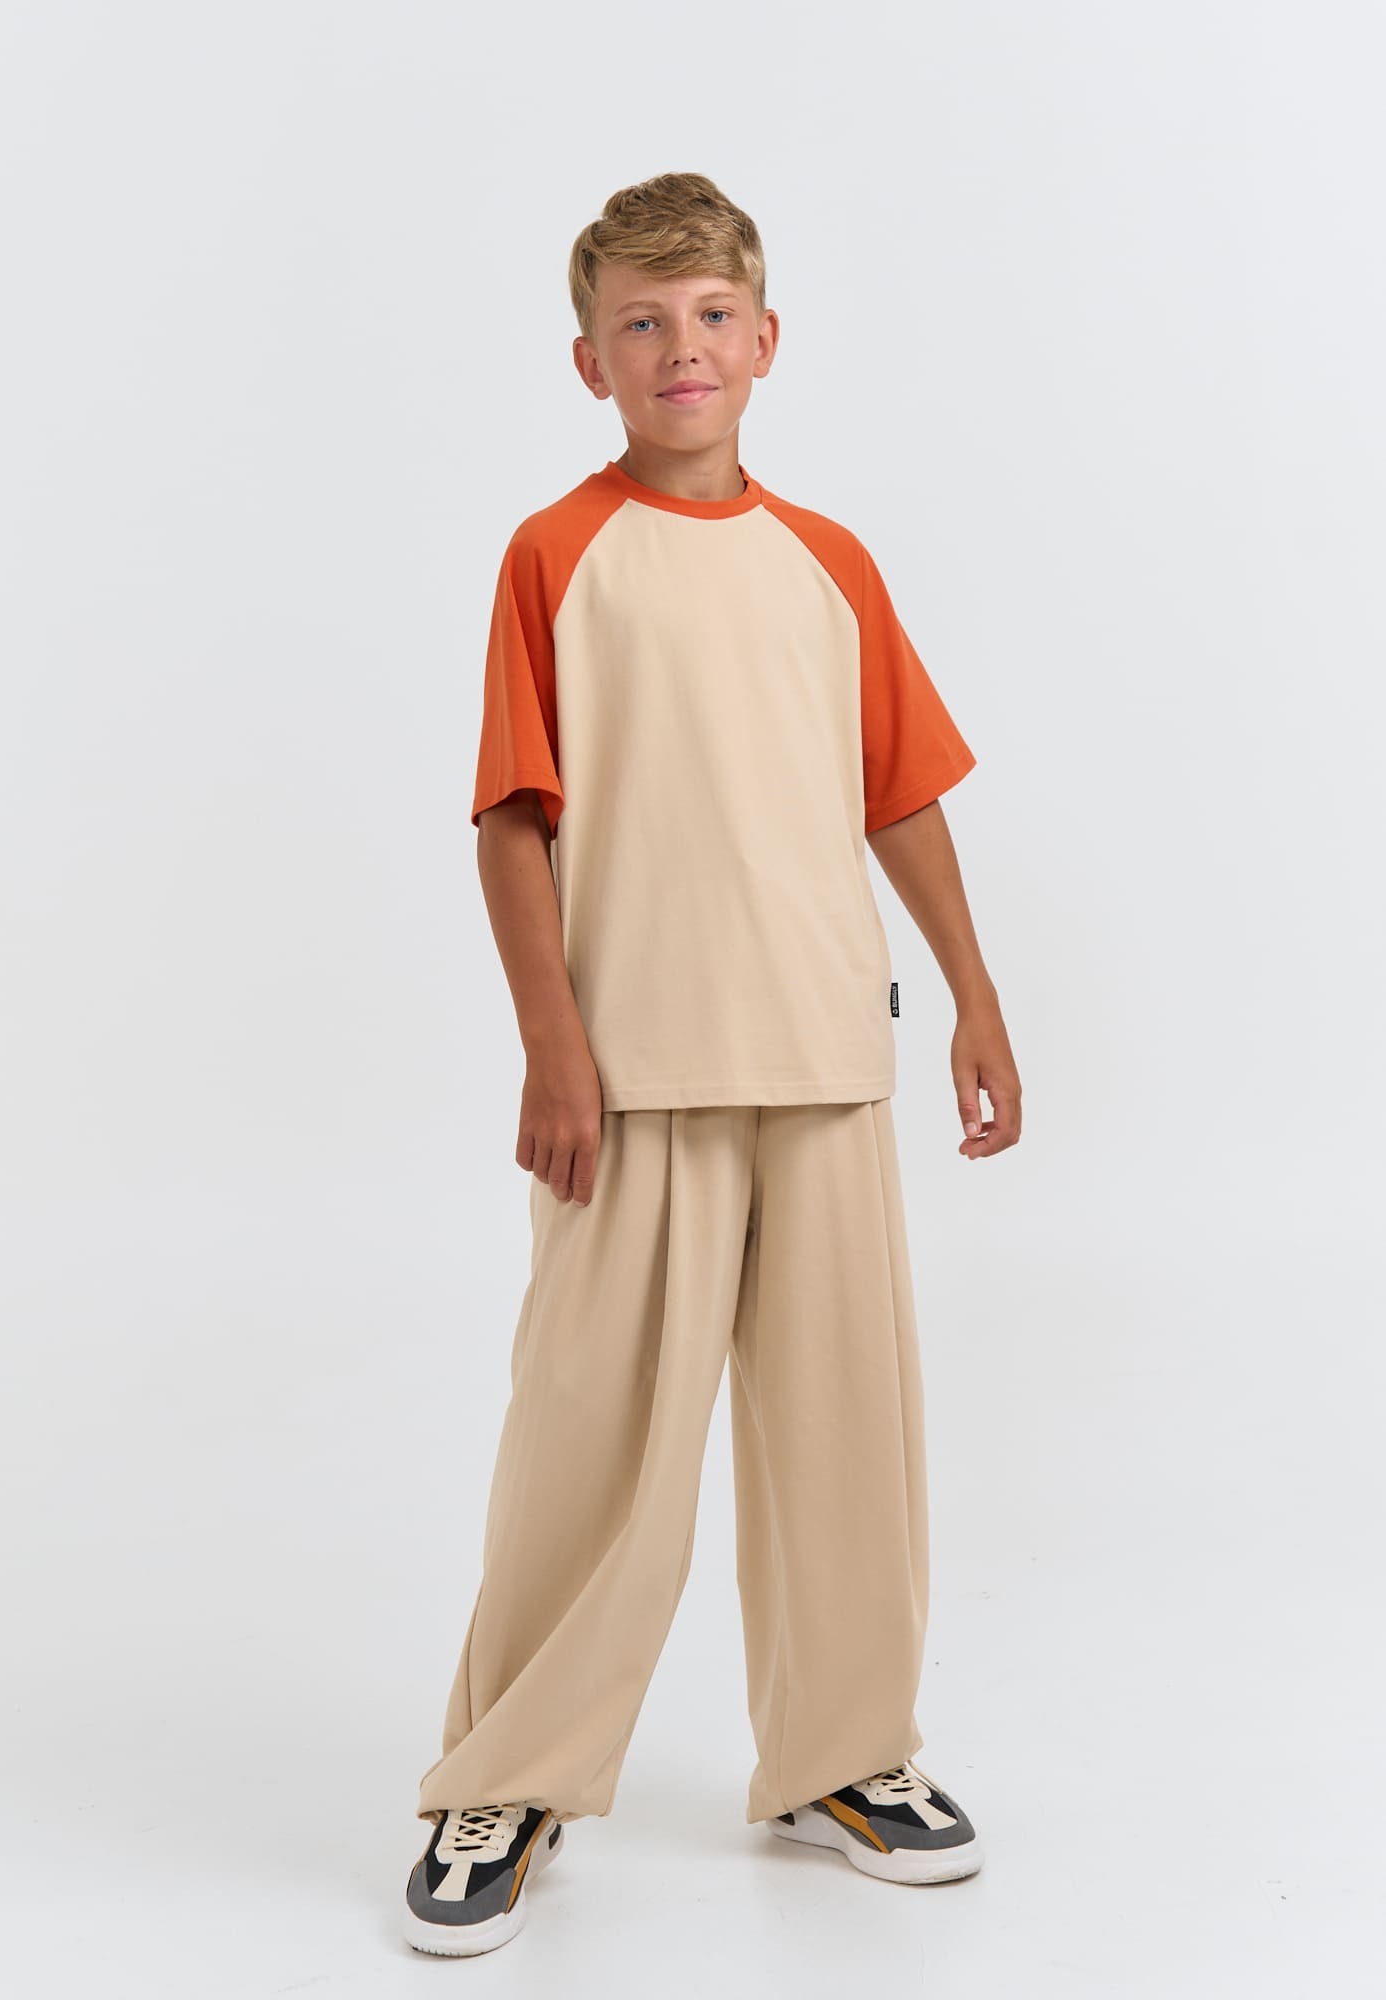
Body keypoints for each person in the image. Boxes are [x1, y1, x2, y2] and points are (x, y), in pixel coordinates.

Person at [403, 170, 1021, 1959]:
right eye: (642, 324)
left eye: (711, 317)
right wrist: (554, 1048)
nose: (682, 348)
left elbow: (896, 793)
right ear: (589, 362)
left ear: (765, 341)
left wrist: (974, 995)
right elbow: (513, 820)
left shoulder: (830, 562)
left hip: (824, 1053)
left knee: (848, 1439)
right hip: (634, 1072)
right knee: (588, 1443)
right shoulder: (557, 556)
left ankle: (847, 1752)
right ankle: (505, 1775)